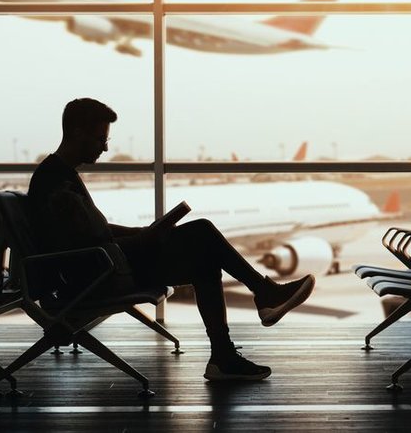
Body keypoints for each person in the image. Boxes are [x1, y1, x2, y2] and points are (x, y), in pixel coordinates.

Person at [28, 98, 315, 381]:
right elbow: (83, 247)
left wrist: (141, 232)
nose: (105, 147)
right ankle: (259, 299)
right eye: (100, 138)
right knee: (201, 232)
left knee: (204, 257)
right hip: (95, 277)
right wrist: (142, 241)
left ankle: (226, 352)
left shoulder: (57, 174)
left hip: (102, 266)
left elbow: (93, 232)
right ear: (78, 132)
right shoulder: (55, 182)